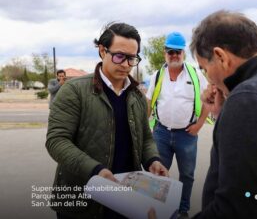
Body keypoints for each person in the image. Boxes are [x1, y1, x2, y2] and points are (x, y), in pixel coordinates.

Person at [46, 22, 168, 219]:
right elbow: (57, 141)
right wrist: (96, 170)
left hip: (127, 199)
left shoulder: (136, 95)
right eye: (119, 56)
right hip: (82, 199)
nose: (126, 65)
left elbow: (145, 138)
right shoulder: (74, 90)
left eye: (132, 59)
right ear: (102, 51)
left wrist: (153, 160)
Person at [188, 10, 257, 218]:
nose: (209, 80)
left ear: (220, 57)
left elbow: (236, 207)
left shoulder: (248, 100)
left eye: (204, 68)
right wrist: (225, 116)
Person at [146, 32, 209, 219]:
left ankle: (182, 210)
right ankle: (158, 208)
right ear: (165, 52)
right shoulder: (157, 75)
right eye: (171, 52)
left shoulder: (195, 74)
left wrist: (198, 125)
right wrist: (144, 129)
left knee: (187, 175)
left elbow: (206, 101)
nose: (174, 55)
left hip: (187, 135)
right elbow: (149, 102)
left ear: (183, 54)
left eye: (178, 52)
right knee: (158, 174)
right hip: (161, 133)